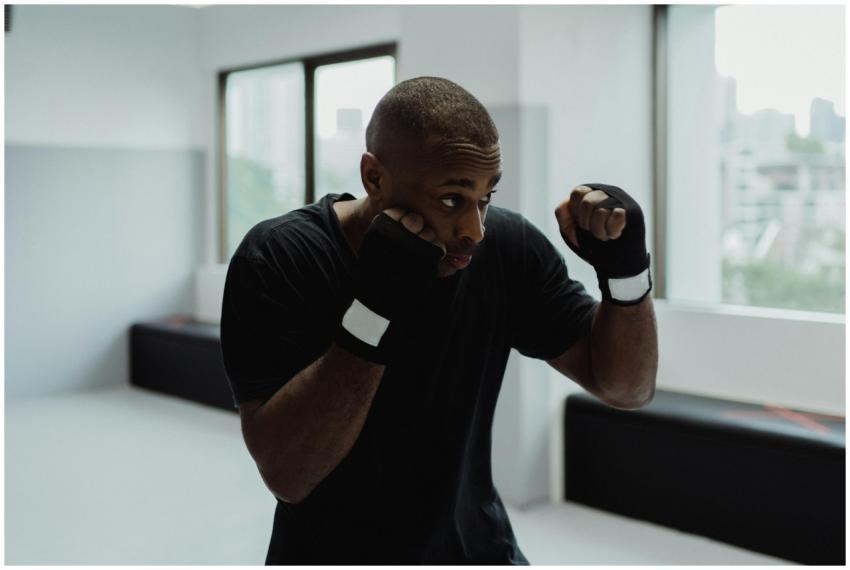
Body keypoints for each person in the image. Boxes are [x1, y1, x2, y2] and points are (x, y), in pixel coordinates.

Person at [220, 76, 658, 565]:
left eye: (485, 197)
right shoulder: (282, 258)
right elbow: (290, 475)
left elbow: (627, 388)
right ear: (375, 178)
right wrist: (375, 309)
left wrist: (626, 277)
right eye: (451, 199)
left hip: (478, 549)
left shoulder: (506, 248)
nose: (474, 229)